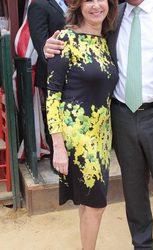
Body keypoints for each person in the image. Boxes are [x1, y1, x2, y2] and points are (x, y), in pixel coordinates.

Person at [44, 0, 153, 249]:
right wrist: (50, 47)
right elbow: (80, 42)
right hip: (121, 117)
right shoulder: (112, 18)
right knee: (134, 195)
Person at [46, 0, 118, 249]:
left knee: (90, 203)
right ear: (78, 6)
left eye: (101, 0)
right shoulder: (65, 39)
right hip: (78, 138)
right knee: (97, 205)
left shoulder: (106, 40)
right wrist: (58, 146)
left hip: (102, 136)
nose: (96, 5)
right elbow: (52, 95)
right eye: (88, 0)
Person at [28, 0, 67, 169]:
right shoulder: (39, 6)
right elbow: (41, 44)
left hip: (80, 76)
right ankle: (58, 165)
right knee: (56, 120)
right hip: (53, 77)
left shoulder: (77, 4)